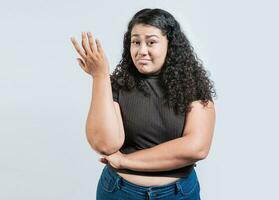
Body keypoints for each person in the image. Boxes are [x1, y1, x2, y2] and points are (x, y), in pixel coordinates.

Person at [70, 8, 216, 200]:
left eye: (151, 42)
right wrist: (100, 76)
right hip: (119, 191)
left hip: (178, 194)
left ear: (169, 45)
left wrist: (125, 161)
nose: (141, 51)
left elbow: (197, 147)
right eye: (135, 42)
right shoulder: (116, 84)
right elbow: (105, 144)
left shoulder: (192, 85)